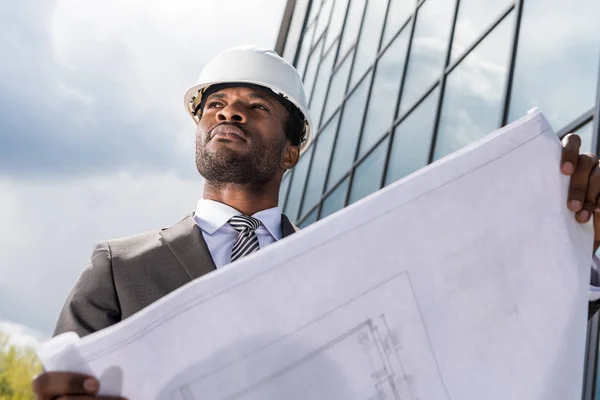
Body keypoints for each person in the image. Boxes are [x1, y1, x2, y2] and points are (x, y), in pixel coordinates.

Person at [31, 45, 600, 399]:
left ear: (291, 150)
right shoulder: (119, 267)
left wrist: (577, 231)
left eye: (256, 107)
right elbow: (62, 379)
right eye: (216, 104)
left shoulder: (344, 266)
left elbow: (487, 303)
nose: (229, 111)